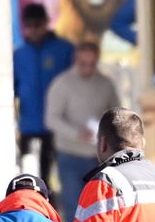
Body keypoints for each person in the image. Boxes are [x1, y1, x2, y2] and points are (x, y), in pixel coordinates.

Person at [44, 40, 120, 191]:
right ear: (75, 60)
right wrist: (77, 133)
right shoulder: (62, 83)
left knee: (99, 203)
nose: (87, 68)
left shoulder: (106, 84)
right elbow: (51, 119)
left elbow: (117, 114)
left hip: (98, 154)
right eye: (83, 63)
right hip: (69, 153)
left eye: (91, 64)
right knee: (73, 205)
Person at [14, 3, 75, 189]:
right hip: (29, 124)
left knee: (64, 173)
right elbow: (13, 88)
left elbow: (74, 84)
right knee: (30, 174)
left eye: (37, 24)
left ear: (46, 23)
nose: (33, 30)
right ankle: (37, 208)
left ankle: (61, 208)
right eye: (29, 25)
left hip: (59, 123)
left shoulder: (64, 49)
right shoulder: (19, 55)